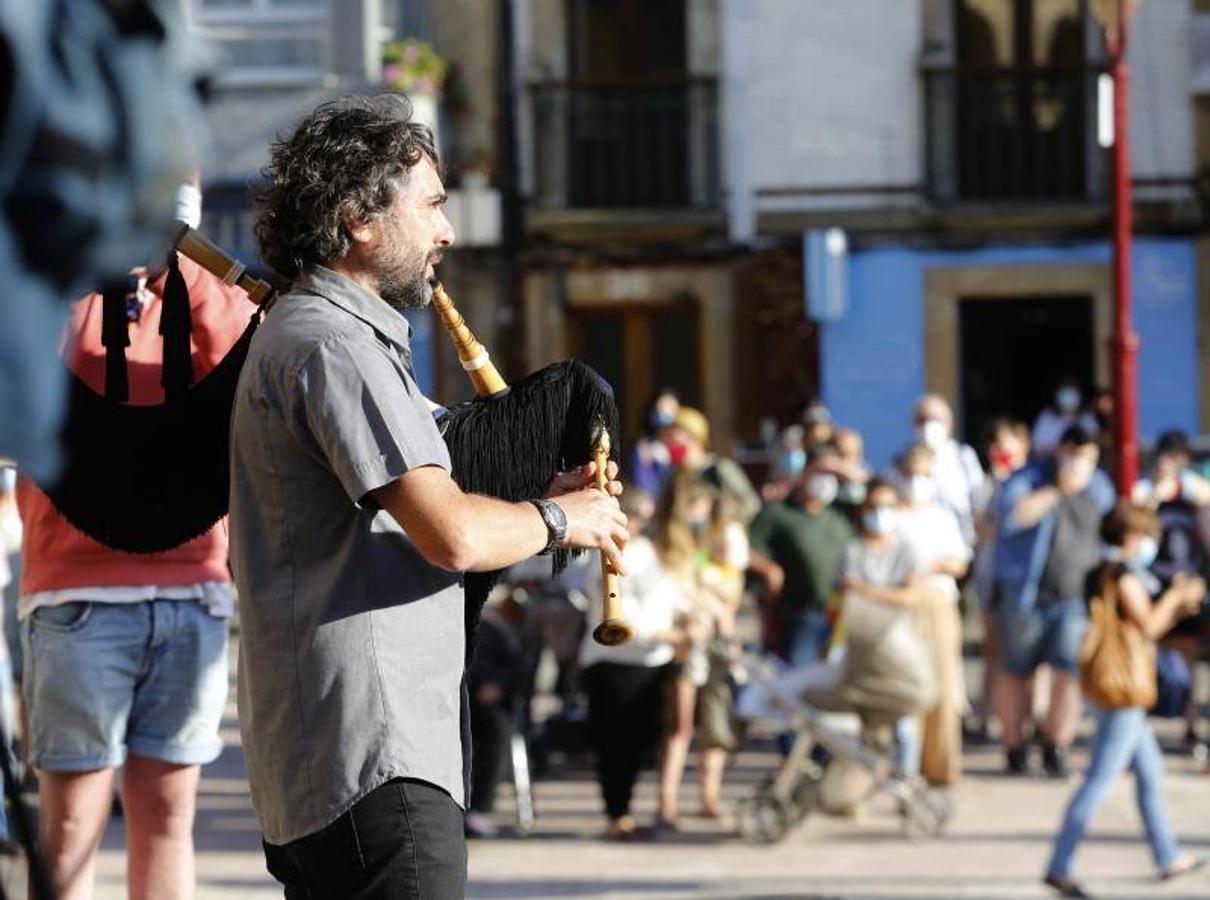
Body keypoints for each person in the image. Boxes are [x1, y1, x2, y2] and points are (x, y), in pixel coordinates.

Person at [230, 94, 628, 898]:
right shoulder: (335, 344)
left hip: (341, 754)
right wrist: (562, 519)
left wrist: (538, 503)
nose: (447, 231)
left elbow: (429, 508)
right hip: (375, 756)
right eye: (433, 205)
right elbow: (450, 536)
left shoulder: (328, 336)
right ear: (358, 219)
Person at [15, 190, 255, 899]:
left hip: (193, 592)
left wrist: (195, 268)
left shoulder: (203, 300)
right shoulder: (60, 292)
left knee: (168, 820)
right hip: (76, 594)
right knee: (70, 827)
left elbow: (248, 365)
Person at [1043, 503, 1208, 898]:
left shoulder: (1100, 570)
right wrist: (1179, 597)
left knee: (1149, 774)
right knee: (1101, 778)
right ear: (1132, 536)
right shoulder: (1122, 574)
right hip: (1123, 691)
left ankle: (1167, 855)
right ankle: (1060, 863)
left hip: (1110, 687)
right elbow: (1148, 626)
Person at [995, 426, 1115, 777]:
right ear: (1061, 451)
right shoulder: (1029, 477)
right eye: (1075, 454)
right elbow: (1012, 518)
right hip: (1027, 596)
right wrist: (1057, 490)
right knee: (1017, 672)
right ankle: (1014, 747)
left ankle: (1056, 745)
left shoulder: (1099, 486)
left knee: (1068, 673)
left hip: (1076, 598)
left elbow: (1113, 527)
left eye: (1088, 458)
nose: (1080, 463)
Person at [579, 488, 681, 841]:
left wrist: (685, 622)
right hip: (614, 662)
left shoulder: (648, 551)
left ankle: (628, 810)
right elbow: (617, 614)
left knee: (642, 744)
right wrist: (659, 635)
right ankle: (616, 815)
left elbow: (667, 595)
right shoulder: (602, 552)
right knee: (615, 745)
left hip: (653, 663)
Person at [894, 444, 971, 784]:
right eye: (911, 474)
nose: (916, 482)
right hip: (899, 604)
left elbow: (960, 561)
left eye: (923, 475)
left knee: (943, 684)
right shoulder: (891, 516)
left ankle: (940, 765)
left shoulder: (942, 517)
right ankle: (904, 765)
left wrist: (933, 565)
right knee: (903, 685)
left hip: (938, 601)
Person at [839, 480, 924, 777]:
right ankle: (860, 780)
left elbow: (911, 597)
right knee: (859, 714)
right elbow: (848, 592)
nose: (880, 514)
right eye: (874, 507)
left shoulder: (905, 549)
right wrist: (887, 593)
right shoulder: (853, 550)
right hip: (861, 642)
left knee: (904, 718)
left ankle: (905, 779)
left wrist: (869, 591)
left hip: (898, 643)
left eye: (887, 507)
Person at [1131, 429, 1210, 753]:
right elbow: (1132, 522)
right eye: (1163, 458)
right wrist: (1155, 497)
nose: (1167, 464)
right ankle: (1143, 730)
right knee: (1147, 656)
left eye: (1174, 459)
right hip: (1151, 584)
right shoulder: (1145, 489)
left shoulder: (1193, 490)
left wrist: (1181, 487)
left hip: (1185, 584)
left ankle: (1190, 727)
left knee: (1187, 659)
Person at [748, 462, 854, 666]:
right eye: (820, 473)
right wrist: (768, 569)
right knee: (799, 674)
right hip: (797, 613)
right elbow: (747, 548)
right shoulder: (779, 512)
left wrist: (847, 471)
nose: (825, 481)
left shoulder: (840, 517)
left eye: (831, 476)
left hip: (838, 613)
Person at [971, 419, 1031, 739]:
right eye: (995, 445)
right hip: (991, 577)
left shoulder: (1034, 484)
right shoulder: (985, 487)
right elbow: (984, 530)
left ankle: (1028, 719)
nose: (1000, 451)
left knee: (1026, 651)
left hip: (1025, 580)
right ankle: (986, 714)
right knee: (993, 649)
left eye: (1006, 444)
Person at [465, 587, 526, 840]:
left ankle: (479, 807)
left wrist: (495, 685)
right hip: (446, 702)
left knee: (495, 730)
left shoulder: (494, 629)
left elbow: (514, 667)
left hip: (484, 703)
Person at [909, 394, 985, 548]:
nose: (929, 425)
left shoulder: (963, 456)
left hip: (961, 546)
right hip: (920, 549)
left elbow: (979, 500)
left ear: (949, 423)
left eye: (936, 419)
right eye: (922, 420)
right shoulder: (903, 460)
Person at [665, 406, 761, 525]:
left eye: (675, 440)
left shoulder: (721, 469)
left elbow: (751, 505)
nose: (670, 445)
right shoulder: (674, 478)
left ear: (694, 438)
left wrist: (726, 518)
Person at [1032, 378, 1099, 459]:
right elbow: (1037, 446)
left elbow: (1094, 444)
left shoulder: (1087, 417)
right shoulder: (1047, 416)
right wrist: (1061, 450)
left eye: (1072, 391)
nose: (1068, 396)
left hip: (1083, 462)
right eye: (1065, 391)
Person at [628, 389, 678, 497]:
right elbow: (641, 481)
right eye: (661, 408)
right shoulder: (643, 446)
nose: (666, 413)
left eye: (671, 408)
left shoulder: (679, 445)